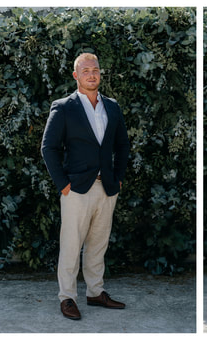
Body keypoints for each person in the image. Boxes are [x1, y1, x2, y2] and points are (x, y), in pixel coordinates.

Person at [41, 52, 131, 320]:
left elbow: (123, 145)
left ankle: (95, 292)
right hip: (77, 189)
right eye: (86, 70)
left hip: (107, 188)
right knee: (71, 245)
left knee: (98, 244)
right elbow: (49, 148)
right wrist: (63, 185)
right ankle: (67, 297)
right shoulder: (64, 107)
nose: (92, 74)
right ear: (76, 75)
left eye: (96, 70)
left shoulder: (112, 106)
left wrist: (119, 177)